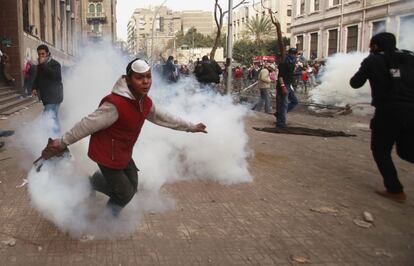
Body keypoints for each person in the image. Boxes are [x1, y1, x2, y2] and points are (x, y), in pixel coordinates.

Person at [41, 58, 207, 216]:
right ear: (128, 80)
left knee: (132, 184)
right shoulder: (115, 104)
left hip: (122, 151)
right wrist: (62, 142)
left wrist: (191, 127)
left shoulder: (144, 102)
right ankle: (107, 219)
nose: (145, 82)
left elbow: (163, 117)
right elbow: (86, 125)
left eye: (148, 77)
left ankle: (90, 183)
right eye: (139, 78)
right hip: (106, 153)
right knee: (125, 194)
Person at [350, 32, 414, 203]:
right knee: (407, 151)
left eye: (371, 45)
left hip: (388, 112)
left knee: (381, 150)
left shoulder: (373, 60)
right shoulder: (410, 57)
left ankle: (395, 190)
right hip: (411, 111)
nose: (370, 48)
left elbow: (355, 83)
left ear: (375, 46)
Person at [32, 44, 64, 136]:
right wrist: (34, 87)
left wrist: (43, 65)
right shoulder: (40, 66)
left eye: (43, 54)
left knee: (48, 117)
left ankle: (54, 139)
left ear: (48, 54)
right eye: (39, 54)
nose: (41, 56)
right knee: (53, 118)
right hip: (47, 97)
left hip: (55, 96)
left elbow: (55, 77)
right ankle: (58, 138)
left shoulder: (55, 64)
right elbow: (38, 78)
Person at [275, 48, 299, 128]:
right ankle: (281, 123)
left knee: (295, 101)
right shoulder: (284, 62)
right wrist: (283, 87)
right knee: (284, 104)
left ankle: (279, 114)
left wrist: (300, 73)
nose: (295, 56)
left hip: (288, 85)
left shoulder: (291, 62)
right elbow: (280, 76)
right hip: (283, 85)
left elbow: (290, 74)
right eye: (294, 54)